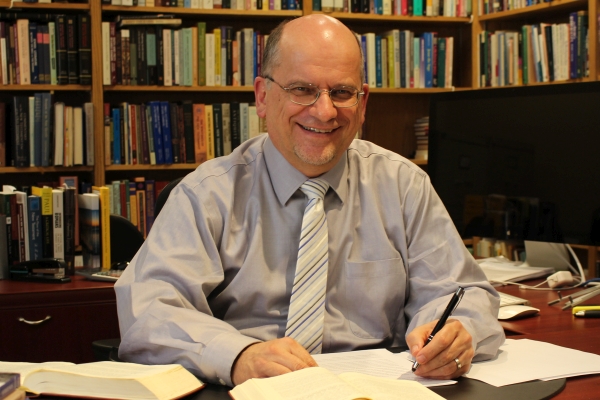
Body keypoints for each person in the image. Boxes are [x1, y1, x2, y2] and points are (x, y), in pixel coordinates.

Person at [115, 14, 504, 387]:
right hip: (251, 390)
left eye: (342, 93)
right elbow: (149, 311)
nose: (324, 111)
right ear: (262, 96)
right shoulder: (207, 194)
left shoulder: (404, 186)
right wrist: (237, 356)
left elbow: (463, 293)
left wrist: (454, 334)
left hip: (378, 388)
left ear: (363, 103)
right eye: (302, 90)